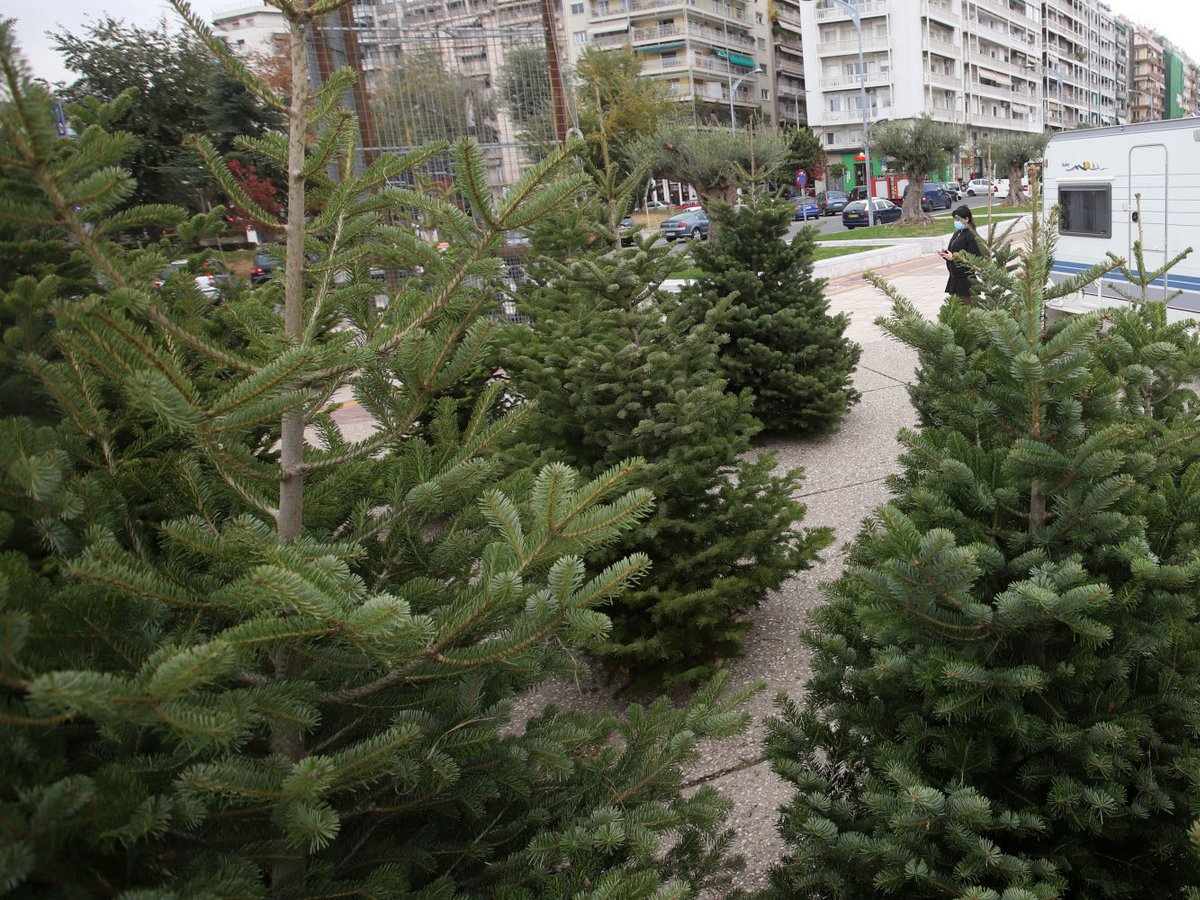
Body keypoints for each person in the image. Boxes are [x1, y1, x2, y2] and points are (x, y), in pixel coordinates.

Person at [938, 205, 980, 302]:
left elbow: (974, 256)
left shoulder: (971, 235)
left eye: (957, 220)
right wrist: (946, 255)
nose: (955, 222)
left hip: (965, 280)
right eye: (955, 220)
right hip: (954, 277)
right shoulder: (957, 233)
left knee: (967, 307)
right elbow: (952, 250)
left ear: (966, 219)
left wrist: (954, 258)